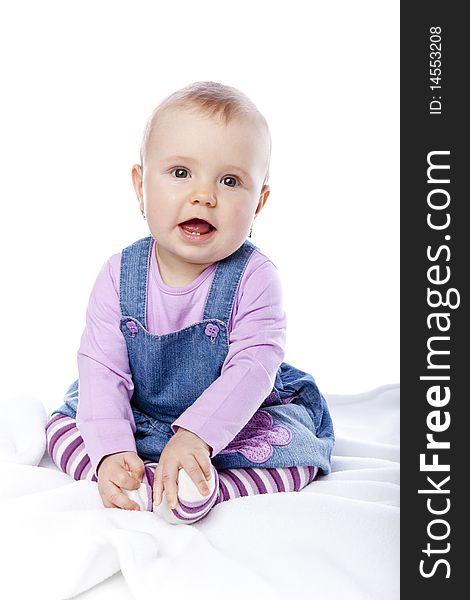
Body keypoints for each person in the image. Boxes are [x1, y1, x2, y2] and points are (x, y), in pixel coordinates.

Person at [45, 81, 335, 525]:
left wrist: (197, 435)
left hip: (238, 418)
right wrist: (112, 448)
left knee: (294, 451)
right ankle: (127, 478)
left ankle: (211, 486)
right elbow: (103, 369)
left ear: (259, 202)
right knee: (68, 427)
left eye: (230, 180)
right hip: (141, 411)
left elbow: (253, 368)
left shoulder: (254, 278)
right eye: (181, 173)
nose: (204, 195)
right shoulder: (119, 275)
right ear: (141, 186)